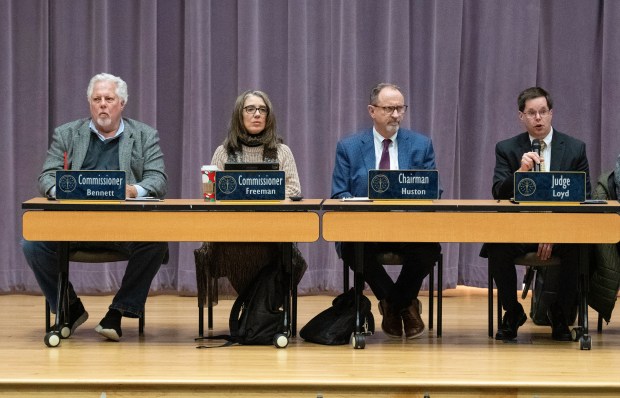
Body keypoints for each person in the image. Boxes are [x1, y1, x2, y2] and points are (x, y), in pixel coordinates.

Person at [23, 73, 168, 342]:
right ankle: (70, 307)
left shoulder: (145, 135)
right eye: (97, 99)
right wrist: (62, 190)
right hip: (75, 227)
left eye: (109, 99)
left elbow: (158, 179)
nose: (103, 105)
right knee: (33, 243)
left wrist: (134, 190)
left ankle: (118, 311)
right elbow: (46, 177)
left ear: (121, 103)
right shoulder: (67, 134)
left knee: (157, 241)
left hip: (125, 229)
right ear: (90, 103)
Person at [331, 83, 441, 339]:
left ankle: (392, 305)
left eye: (400, 108)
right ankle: (405, 305)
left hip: (408, 227)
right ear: (372, 110)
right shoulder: (349, 147)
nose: (396, 115)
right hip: (367, 228)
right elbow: (339, 194)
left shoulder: (420, 145)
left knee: (429, 248)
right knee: (350, 248)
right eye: (389, 108)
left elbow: (435, 190)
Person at [482, 86, 591, 341]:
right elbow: (498, 191)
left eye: (543, 112)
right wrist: (520, 171)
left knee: (579, 246)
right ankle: (512, 312)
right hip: (521, 229)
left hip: (560, 230)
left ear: (551, 113)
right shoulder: (507, 148)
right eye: (532, 113)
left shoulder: (575, 148)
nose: (538, 118)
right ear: (522, 116)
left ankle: (560, 313)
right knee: (496, 245)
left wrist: (552, 230)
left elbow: (582, 196)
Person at [202, 90, 305, 298]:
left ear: (269, 116)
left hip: (273, 231)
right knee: (238, 252)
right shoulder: (224, 152)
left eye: (262, 109)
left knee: (284, 256)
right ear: (239, 115)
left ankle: (260, 310)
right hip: (233, 233)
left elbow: (294, 190)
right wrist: (264, 192)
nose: (257, 114)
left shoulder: (281, 151)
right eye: (250, 109)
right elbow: (211, 194)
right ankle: (257, 309)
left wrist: (244, 192)